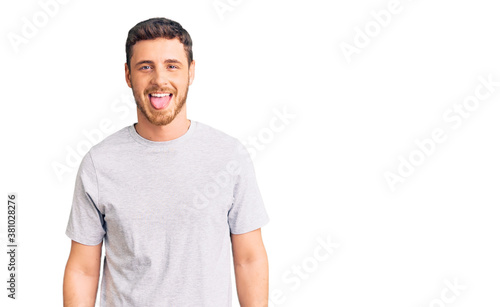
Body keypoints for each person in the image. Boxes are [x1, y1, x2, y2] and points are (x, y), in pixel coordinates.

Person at [62, 17, 270, 306]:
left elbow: (249, 259)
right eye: (145, 67)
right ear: (127, 75)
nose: (159, 79)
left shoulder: (228, 157)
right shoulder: (99, 164)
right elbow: (83, 270)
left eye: (172, 65)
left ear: (191, 72)